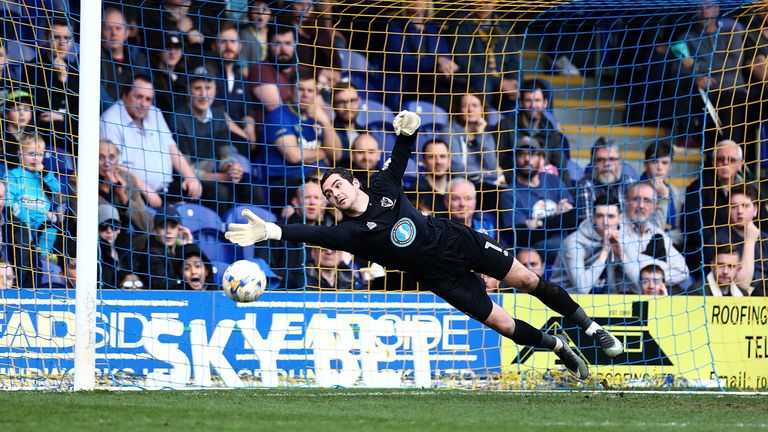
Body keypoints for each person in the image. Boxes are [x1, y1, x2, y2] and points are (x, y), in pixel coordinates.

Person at [226, 111, 626, 381]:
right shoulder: (347, 233)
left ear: (354, 183)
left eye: (336, 186)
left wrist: (410, 128)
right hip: (439, 277)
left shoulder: (383, 186)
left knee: (527, 279)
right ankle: (558, 345)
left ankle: (593, 329)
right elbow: (307, 234)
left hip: (456, 240)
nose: (333, 195)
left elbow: (400, 153)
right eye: (328, 194)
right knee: (503, 324)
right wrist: (272, 232)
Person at [100, 74, 203, 207]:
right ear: (125, 95)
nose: (143, 104)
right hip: (134, 193)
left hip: (166, 188)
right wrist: (145, 189)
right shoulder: (110, 120)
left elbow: (172, 149)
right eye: (138, 97)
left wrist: (190, 177)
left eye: (148, 99)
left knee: (207, 192)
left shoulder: (155, 113)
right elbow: (113, 164)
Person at [551, 195, 638, 294]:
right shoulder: (574, 242)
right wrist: (604, 253)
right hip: (565, 299)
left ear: (620, 219)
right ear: (593, 218)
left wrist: (622, 256)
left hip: (605, 300)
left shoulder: (623, 238)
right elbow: (582, 288)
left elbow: (640, 284)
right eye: (600, 216)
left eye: (611, 216)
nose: (605, 222)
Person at [497, 79, 570, 187]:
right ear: (521, 102)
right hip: (512, 184)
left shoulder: (550, 131)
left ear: (545, 103)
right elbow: (499, 161)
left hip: (543, 186)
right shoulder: (506, 126)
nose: (533, 105)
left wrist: (565, 195)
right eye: (528, 100)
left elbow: (561, 166)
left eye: (537, 100)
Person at [622, 182, 689, 289]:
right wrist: (662, 268)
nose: (641, 206)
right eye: (636, 199)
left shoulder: (658, 233)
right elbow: (634, 277)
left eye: (647, 200)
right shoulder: (617, 229)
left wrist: (656, 280)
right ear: (626, 201)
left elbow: (683, 271)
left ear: (655, 206)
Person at [711, 183, 768, 296]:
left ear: (755, 210)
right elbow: (741, 285)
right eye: (734, 206)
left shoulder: (765, 239)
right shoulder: (720, 240)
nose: (740, 211)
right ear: (728, 211)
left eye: (745, 206)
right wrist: (750, 241)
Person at [574, 137, 637, 223]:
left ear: (619, 162)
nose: (606, 164)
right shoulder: (585, 186)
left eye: (611, 159)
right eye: (600, 160)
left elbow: (636, 220)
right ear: (593, 164)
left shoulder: (630, 183)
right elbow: (587, 225)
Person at [288, 245, 356, 291]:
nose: (329, 252)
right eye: (323, 248)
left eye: (334, 249)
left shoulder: (350, 279)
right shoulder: (301, 279)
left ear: (341, 254)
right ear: (313, 252)